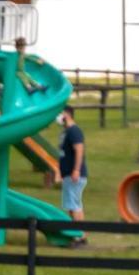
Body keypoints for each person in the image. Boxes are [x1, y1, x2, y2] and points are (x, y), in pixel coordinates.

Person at [57, 105, 88, 247]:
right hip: (67, 175)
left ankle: (79, 236)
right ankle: (77, 234)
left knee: (74, 205)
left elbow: (79, 150)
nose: (58, 117)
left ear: (67, 114)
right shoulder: (65, 132)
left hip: (74, 174)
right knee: (72, 205)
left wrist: (76, 170)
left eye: (60, 113)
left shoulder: (74, 131)